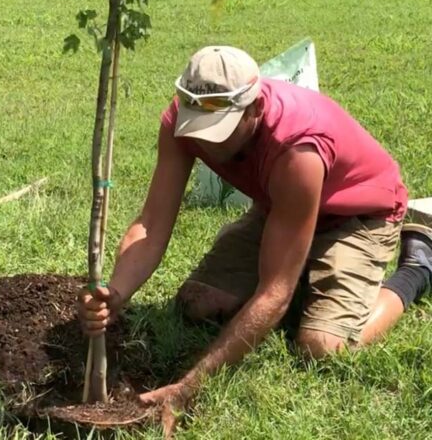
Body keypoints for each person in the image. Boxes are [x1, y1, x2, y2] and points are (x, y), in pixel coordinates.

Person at [78, 45, 432, 434]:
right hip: (280, 207)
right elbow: (151, 223)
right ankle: (304, 273)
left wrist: (189, 387)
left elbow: (273, 292)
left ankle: (417, 268)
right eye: (200, 128)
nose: (208, 142)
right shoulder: (184, 120)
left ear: (256, 109)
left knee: (322, 348)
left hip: (357, 214)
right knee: (196, 305)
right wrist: (116, 293)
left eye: (220, 131)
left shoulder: (298, 147)